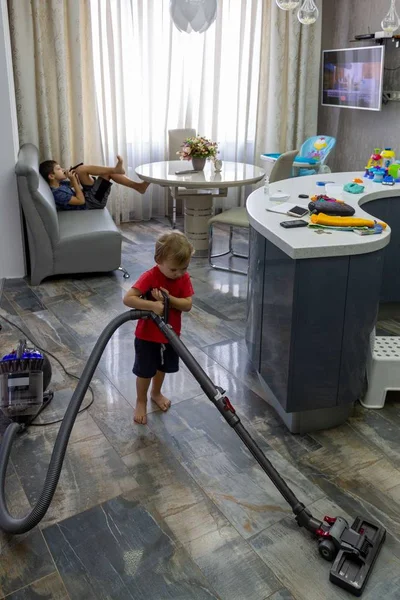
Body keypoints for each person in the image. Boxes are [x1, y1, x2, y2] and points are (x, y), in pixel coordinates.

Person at [123, 232, 195, 424]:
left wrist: (167, 300)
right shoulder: (150, 277)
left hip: (170, 336)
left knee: (162, 367)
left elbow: (187, 305)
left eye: (184, 268)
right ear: (158, 260)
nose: (179, 273)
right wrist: (153, 306)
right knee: (145, 370)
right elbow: (128, 299)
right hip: (147, 336)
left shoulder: (183, 278)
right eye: (174, 270)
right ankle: (140, 400)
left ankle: (156, 393)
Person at [39, 156, 150, 211]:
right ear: (51, 176)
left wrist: (75, 177)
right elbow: (80, 201)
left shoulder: (59, 184)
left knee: (81, 169)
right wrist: (74, 181)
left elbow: (74, 186)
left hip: (88, 196)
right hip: (93, 203)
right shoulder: (57, 194)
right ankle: (137, 186)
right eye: (58, 169)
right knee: (108, 174)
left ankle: (133, 182)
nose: (62, 169)